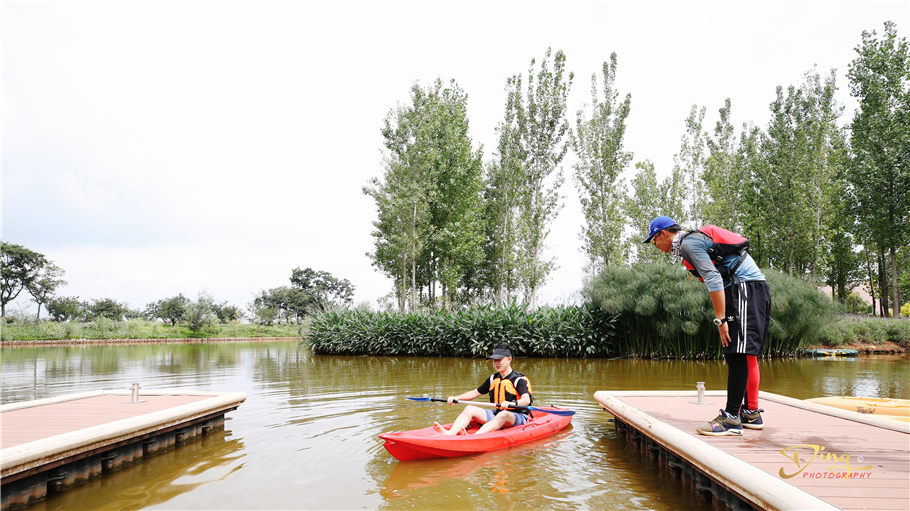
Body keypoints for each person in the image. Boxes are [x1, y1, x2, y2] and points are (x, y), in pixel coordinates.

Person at [643, 216, 771, 436]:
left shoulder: (687, 244)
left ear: (664, 233)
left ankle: (731, 419)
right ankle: (750, 413)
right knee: (745, 353)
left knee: (736, 353)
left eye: (654, 240)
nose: (655, 246)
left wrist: (720, 320)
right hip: (750, 289)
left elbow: (713, 279)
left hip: (744, 289)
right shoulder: (689, 244)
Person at [433, 343, 533, 435]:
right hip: (497, 414)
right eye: (494, 360)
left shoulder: (518, 380)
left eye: (500, 359)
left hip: (517, 417)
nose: (496, 363)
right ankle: (450, 433)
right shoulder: (493, 378)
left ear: (509, 359)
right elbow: (475, 392)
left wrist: (512, 403)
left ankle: (475, 437)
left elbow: (526, 400)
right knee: (469, 409)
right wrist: (456, 398)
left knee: (503, 414)